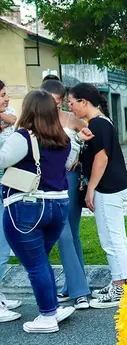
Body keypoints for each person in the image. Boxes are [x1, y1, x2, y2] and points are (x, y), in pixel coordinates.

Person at [0, 90, 82, 332]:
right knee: (40, 260)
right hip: (58, 205)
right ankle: (53, 307)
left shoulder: (23, 137)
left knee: (34, 264)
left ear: (29, 110)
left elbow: (3, 160)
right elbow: (68, 165)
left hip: (27, 204)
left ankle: (47, 316)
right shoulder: (63, 138)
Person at [68, 83, 127, 308]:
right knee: (117, 236)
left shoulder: (97, 123)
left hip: (108, 187)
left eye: (72, 103)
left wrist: (91, 188)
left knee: (110, 238)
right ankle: (123, 281)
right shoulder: (100, 122)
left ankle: (119, 285)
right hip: (114, 185)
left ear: (84, 102)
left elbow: (102, 157)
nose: (71, 108)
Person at [40, 79, 91, 310]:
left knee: (72, 233)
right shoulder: (36, 120)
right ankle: (78, 289)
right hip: (46, 180)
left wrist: (80, 158)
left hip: (70, 178)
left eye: (59, 102)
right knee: (64, 234)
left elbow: (92, 136)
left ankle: (75, 287)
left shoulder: (71, 119)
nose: (56, 107)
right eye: (52, 102)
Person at [0, 79, 24, 319]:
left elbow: (14, 119)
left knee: (4, 244)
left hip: (4, 188)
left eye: (6, 94)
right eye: (2, 95)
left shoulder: (6, 115)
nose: (6, 99)